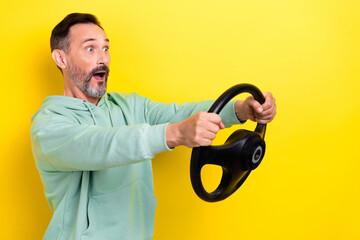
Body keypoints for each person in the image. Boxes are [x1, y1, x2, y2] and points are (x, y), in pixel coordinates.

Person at [30, 13, 276, 240]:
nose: (103, 58)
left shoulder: (129, 106)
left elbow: (177, 113)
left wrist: (240, 109)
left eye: (105, 48)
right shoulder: (49, 126)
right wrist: (175, 133)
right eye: (90, 48)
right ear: (61, 58)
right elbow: (101, 145)